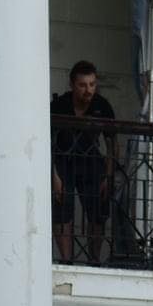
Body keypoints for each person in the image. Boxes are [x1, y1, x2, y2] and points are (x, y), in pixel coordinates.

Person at [51, 60, 117, 264]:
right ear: (72, 85)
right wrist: (54, 177)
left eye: (92, 84)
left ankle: (94, 259)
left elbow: (112, 143)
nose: (88, 90)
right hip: (63, 161)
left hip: (91, 162)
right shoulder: (59, 105)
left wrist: (108, 175)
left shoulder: (102, 105)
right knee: (62, 211)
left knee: (98, 211)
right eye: (82, 85)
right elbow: (46, 142)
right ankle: (66, 260)